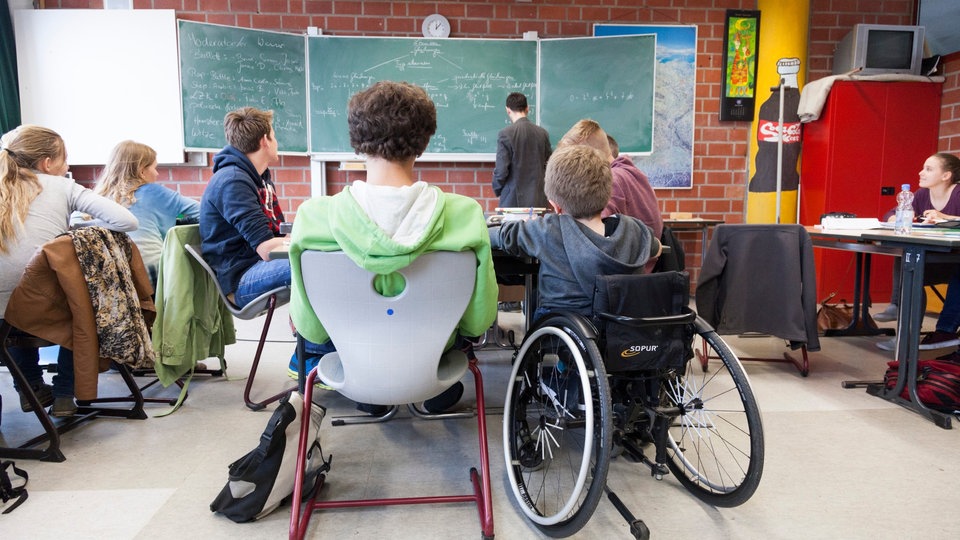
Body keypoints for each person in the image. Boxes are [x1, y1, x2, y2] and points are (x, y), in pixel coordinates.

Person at [289, 81, 498, 415]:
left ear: (357, 142)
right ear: (424, 141)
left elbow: (310, 328)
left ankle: (374, 389)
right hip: (432, 365)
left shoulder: (313, 219)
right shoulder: (466, 216)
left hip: (355, 361)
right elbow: (478, 322)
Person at [0, 125, 138, 417]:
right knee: (82, 305)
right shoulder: (61, 186)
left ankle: (30, 387)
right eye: (65, 159)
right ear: (47, 164)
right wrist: (77, 232)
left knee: (13, 307)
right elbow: (126, 221)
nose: (68, 166)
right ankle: (64, 393)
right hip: (38, 308)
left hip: (6, 315)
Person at [199, 107, 330, 383]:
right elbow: (268, 249)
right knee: (310, 266)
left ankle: (322, 350)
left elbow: (277, 234)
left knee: (317, 259)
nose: (277, 141)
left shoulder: (257, 177)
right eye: (275, 135)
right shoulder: (233, 181)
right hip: (241, 282)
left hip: (256, 267)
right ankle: (308, 359)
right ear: (264, 141)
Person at [489, 144, 661, 321]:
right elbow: (657, 248)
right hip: (619, 329)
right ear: (608, 194)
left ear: (555, 205)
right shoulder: (633, 230)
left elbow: (501, 236)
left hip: (561, 327)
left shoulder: (548, 229)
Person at [875, 153, 960, 353]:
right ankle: (906, 335)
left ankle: (944, 331)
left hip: (956, 260)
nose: (921, 173)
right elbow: (890, 213)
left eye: (929, 169)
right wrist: (896, 217)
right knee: (907, 259)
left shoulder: (958, 193)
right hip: (937, 260)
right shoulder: (921, 194)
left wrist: (944, 216)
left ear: (946, 175)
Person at [558, 120, 663, 273]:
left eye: (575, 161)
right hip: (637, 271)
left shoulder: (611, 181)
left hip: (620, 277)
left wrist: (561, 213)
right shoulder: (632, 173)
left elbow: (588, 233)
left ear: (590, 157)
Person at [90, 140, 200, 287]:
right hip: (152, 278)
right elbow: (204, 212)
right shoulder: (154, 192)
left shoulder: (98, 197)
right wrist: (177, 215)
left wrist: (174, 215)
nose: (157, 173)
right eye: (155, 168)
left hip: (114, 280)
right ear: (142, 171)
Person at [491, 92, 552, 209]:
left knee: (512, 228)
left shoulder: (505, 134)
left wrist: (497, 188)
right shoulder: (542, 133)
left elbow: (501, 170)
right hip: (538, 199)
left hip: (512, 201)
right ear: (527, 108)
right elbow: (549, 164)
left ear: (508, 110)